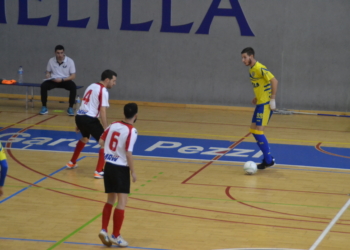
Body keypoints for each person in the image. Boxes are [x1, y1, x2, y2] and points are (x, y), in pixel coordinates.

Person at [98, 103, 138, 247]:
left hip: (108, 166)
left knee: (110, 199)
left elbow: (100, 141)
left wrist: (111, 151)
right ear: (136, 115)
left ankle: (104, 229)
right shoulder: (132, 131)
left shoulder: (113, 124)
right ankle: (116, 235)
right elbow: (128, 152)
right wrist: (133, 171)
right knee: (122, 202)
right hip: (121, 169)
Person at [66, 69, 117, 179]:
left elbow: (85, 105)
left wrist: (79, 124)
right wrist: (106, 128)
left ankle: (72, 162)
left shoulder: (91, 86)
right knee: (105, 143)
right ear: (107, 80)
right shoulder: (103, 91)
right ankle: (98, 171)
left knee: (85, 138)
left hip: (80, 116)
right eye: (113, 81)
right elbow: (103, 110)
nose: (114, 83)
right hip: (89, 119)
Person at [241, 47, 278, 169]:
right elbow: (261, 84)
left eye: (245, 57)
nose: (243, 60)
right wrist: (257, 97)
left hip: (266, 104)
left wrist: (272, 99)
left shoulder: (259, 67)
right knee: (253, 130)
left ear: (251, 56)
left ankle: (268, 160)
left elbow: (274, 81)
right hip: (260, 102)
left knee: (258, 130)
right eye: (242, 58)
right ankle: (268, 160)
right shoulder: (251, 69)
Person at [40, 45, 77, 116]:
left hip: (65, 80)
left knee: (73, 87)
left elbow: (73, 76)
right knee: (43, 86)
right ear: (55, 53)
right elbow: (48, 72)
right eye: (58, 53)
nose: (60, 55)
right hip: (54, 80)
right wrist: (48, 75)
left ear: (64, 52)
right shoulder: (51, 60)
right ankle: (44, 107)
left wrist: (62, 80)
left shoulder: (70, 61)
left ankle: (70, 108)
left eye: (61, 53)